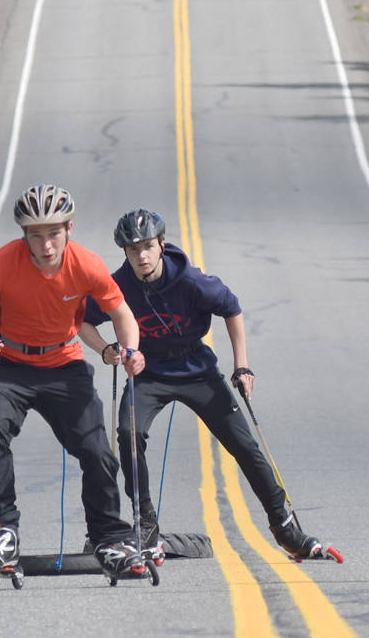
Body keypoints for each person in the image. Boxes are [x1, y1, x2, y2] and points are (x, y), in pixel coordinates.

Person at [79, 208, 332, 560]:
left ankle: (285, 527)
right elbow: (82, 320)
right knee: (127, 432)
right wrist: (105, 349)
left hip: (197, 369)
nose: (142, 256)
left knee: (245, 447)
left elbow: (232, 308)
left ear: (162, 244)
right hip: (149, 372)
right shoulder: (118, 285)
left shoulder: (190, 281)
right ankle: (145, 525)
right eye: (133, 250)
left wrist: (242, 366)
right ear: (125, 252)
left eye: (148, 246)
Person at [0, 183, 149, 576]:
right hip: (9, 366)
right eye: (35, 236)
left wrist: (129, 350)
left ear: (69, 228)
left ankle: (109, 537)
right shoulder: (1, 264)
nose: (46, 245)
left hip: (64, 364)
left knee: (97, 451)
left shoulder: (86, 264)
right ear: (24, 235)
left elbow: (122, 314)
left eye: (53, 233)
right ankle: (4, 531)